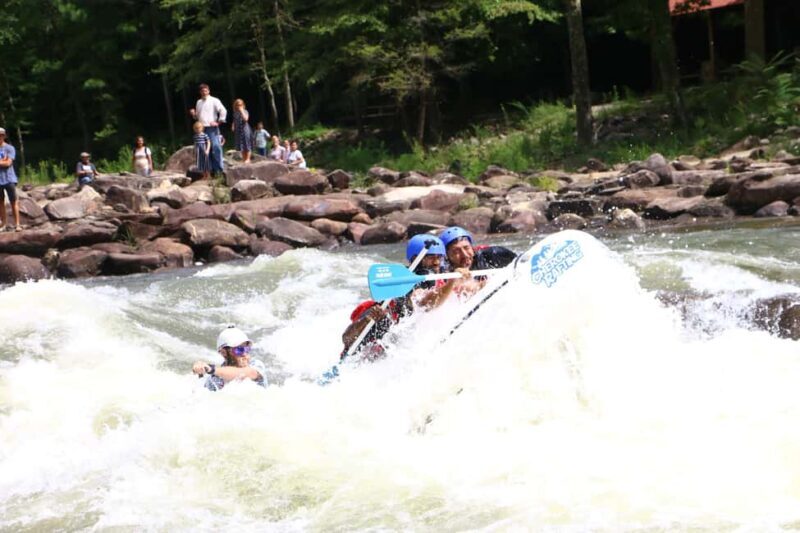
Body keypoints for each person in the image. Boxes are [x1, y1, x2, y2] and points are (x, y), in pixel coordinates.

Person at [340, 235, 468, 360]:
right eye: (430, 258)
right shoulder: (403, 289)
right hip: (362, 361)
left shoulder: (438, 279)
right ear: (416, 259)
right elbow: (425, 303)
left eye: (439, 257)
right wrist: (367, 320)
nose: (436, 262)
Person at [438, 226, 517, 297]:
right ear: (447, 256)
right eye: (456, 251)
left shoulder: (492, 254)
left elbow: (520, 265)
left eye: (466, 248)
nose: (465, 254)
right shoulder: (443, 272)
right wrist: (453, 281)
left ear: (472, 247)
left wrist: (483, 284)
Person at [192, 326, 267, 391]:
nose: (244, 354)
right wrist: (201, 373)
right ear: (224, 352)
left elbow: (248, 373)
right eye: (239, 350)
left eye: (247, 348)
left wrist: (211, 369)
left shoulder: (256, 365)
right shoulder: (215, 379)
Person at [189, 83, 227, 175]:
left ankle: (219, 170)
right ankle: (209, 170)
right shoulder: (198, 102)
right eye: (202, 91)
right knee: (204, 149)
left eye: (205, 90)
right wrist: (194, 114)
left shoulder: (214, 100)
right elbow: (198, 117)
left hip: (212, 128)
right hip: (201, 129)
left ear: (209, 91)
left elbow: (223, 110)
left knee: (216, 147)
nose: (204, 92)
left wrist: (218, 122)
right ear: (200, 92)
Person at [0, 128, 21, 232]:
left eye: (1, 135)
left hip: (9, 179)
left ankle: (17, 224)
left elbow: (8, 163)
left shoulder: (9, 148)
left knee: (13, 202)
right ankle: (3, 224)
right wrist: (2, 161)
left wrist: (5, 161)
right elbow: (4, 162)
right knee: (0, 202)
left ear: (4, 136)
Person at [231, 98, 253, 163]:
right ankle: (244, 158)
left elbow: (246, 119)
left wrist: (242, 111)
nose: (239, 106)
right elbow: (234, 120)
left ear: (243, 105)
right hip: (238, 131)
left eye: (240, 105)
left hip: (245, 130)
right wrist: (233, 126)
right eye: (237, 105)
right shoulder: (235, 113)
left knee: (247, 144)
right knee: (241, 145)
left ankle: (248, 158)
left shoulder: (245, 111)